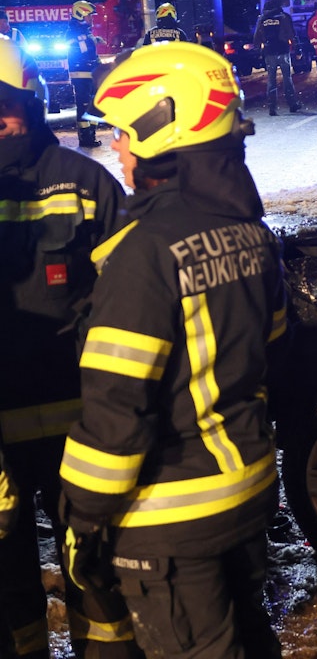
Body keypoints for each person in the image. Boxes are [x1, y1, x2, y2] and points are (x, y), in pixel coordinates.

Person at [60, 42, 287, 659]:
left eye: (125, 134)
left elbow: (116, 414)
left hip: (170, 517)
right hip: (244, 490)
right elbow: (267, 349)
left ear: (163, 129)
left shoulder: (142, 254)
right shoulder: (251, 230)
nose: (118, 149)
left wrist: (82, 521)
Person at [0, 38, 137, 659]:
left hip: (78, 429)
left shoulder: (83, 181)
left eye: (4, 107)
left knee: (94, 571)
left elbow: (136, 299)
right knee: (6, 586)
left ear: (29, 103)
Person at [252, 0, 300, 116]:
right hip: (283, 50)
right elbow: (291, 33)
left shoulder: (262, 18)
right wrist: (297, 48)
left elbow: (257, 35)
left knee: (271, 80)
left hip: (269, 52)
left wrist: (258, 50)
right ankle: (292, 104)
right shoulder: (284, 17)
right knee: (287, 78)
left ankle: (272, 107)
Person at [66, 0, 104, 147]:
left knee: (94, 104)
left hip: (90, 72)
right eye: (89, 16)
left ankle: (91, 135)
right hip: (80, 73)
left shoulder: (85, 31)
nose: (91, 19)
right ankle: (85, 138)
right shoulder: (73, 31)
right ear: (80, 14)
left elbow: (89, 51)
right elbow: (78, 49)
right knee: (83, 106)